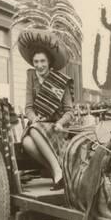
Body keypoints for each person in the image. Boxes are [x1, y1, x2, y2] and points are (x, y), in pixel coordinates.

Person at [17, 29, 75, 190]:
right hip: (39, 125)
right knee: (27, 141)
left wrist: (61, 123)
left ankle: (57, 172)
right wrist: (33, 117)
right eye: (36, 62)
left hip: (57, 128)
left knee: (33, 131)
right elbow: (28, 107)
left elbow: (69, 111)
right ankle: (58, 171)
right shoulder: (31, 77)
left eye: (42, 61)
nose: (39, 65)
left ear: (49, 62)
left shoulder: (59, 80)